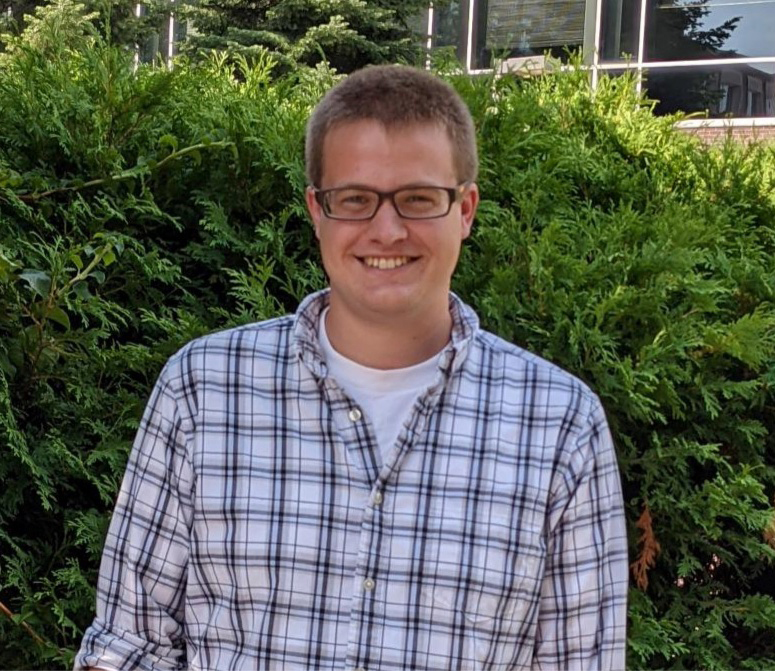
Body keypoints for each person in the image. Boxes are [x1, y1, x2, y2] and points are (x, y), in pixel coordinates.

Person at [75, 64, 628, 671]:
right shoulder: (203, 390)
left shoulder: (559, 424)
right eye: (355, 200)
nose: (386, 230)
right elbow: (127, 647)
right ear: (317, 210)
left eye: (418, 199)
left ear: (465, 210)